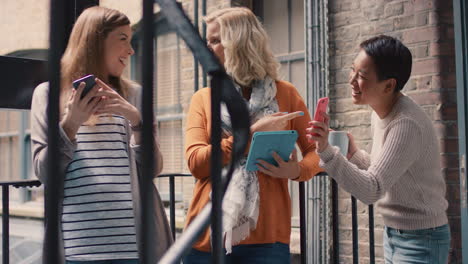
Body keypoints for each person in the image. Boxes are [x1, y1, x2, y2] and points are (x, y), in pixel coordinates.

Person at [30, 6, 172, 264]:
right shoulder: (47, 95)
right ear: (95, 41)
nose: (131, 50)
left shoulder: (136, 95)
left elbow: (153, 168)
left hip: (134, 248)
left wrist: (137, 122)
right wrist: (70, 125)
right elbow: (43, 171)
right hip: (76, 249)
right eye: (123, 40)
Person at [183, 7, 322, 264]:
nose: (207, 48)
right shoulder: (203, 99)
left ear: (238, 44)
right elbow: (196, 163)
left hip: (268, 238)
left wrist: (296, 171)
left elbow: (317, 153)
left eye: (215, 41)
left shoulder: (285, 94)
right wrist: (249, 136)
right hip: (208, 235)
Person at [307, 35, 450, 263]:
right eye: (352, 70)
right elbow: (384, 173)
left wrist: (326, 151)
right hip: (395, 234)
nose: (352, 80)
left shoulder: (405, 123)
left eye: (362, 76)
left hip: (423, 239)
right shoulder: (380, 113)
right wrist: (353, 155)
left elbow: (371, 189)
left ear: (389, 85)